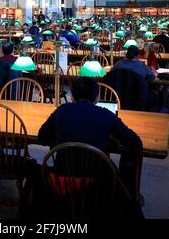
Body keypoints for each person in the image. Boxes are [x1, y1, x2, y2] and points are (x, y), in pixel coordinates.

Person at [20, 79, 143, 219]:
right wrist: (106, 140)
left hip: (61, 178)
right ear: (97, 97)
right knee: (122, 167)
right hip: (94, 184)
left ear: (72, 96)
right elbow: (136, 144)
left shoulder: (62, 110)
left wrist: (63, 137)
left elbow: (42, 137)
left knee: (30, 166)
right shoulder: (107, 115)